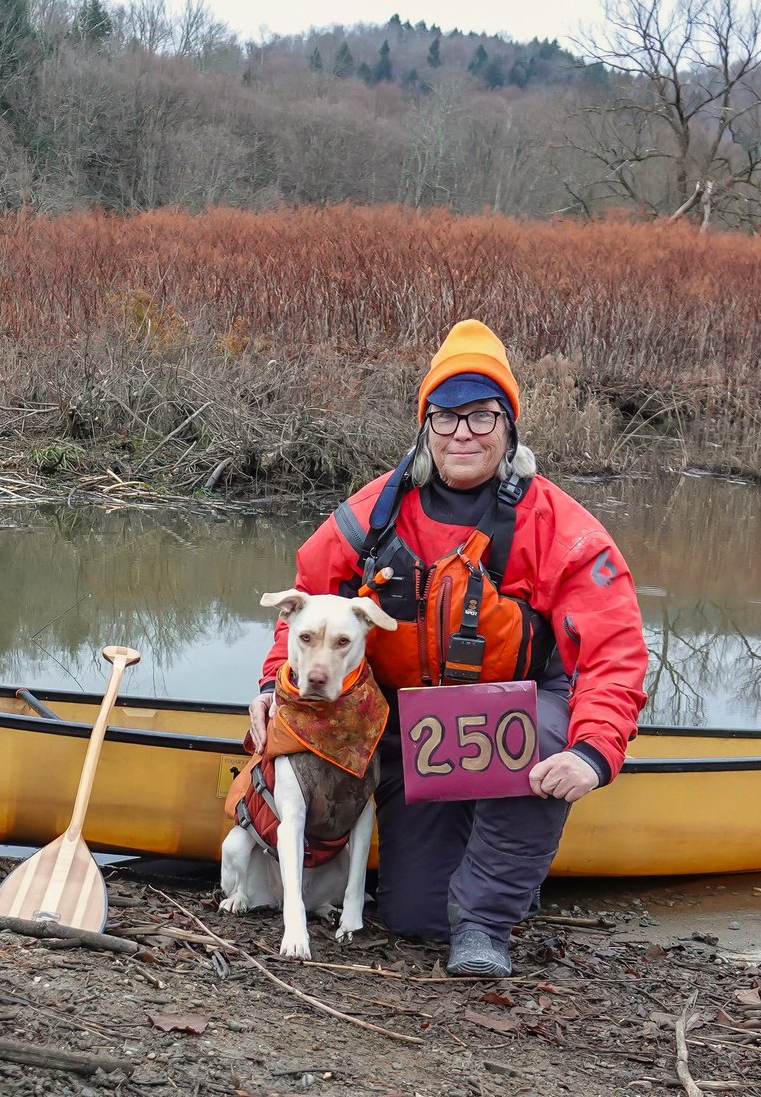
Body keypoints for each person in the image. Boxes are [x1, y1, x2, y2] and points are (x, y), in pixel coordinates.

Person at [247, 319, 648, 977]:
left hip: (525, 711)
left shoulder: (558, 527)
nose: (464, 431)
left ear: (508, 426)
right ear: (426, 424)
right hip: (417, 729)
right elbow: (305, 601)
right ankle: (486, 868)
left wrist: (593, 750)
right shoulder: (371, 515)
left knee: (539, 742)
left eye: (482, 415)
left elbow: (615, 652)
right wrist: (272, 687)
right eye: (447, 415)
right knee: (413, 917)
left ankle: (488, 922)